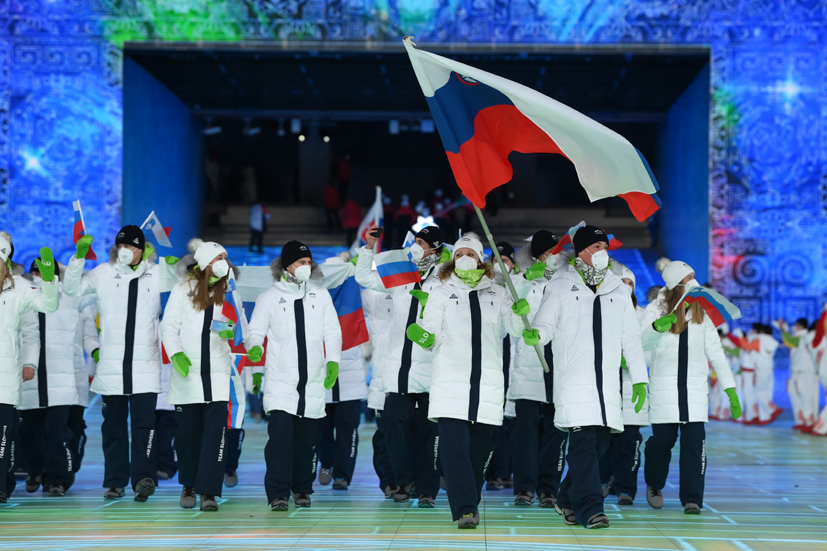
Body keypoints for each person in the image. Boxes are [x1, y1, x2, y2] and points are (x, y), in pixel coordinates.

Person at [525, 225, 648, 529]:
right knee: (582, 446)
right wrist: (536, 335)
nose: (602, 251)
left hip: (607, 385)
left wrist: (640, 378)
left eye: (604, 246)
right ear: (580, 251)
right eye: (596, 246)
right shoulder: (560, 285)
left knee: (599, 447)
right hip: (574, 381)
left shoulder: (618, 289)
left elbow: (631, 338)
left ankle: (566, 498)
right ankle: (592, 509)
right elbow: (545, 324)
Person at [406, 234, 528, 528]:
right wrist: (426, 338)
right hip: (450, 381)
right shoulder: (440, 292)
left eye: (470, 254)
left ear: (480, 259)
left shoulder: (498, 292)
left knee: (480, 450)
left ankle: (469, 497)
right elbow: (431, 328)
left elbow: (513, 329)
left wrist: (520, 312)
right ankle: (465, 508)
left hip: (487, 383)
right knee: (454, 449)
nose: (464, 258)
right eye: (459, 253)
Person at [63, 226, 175, 501]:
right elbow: (72, 289)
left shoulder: (157, 274)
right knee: (112, 427)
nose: (125, 251)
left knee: (144, 426)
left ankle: (144, 478)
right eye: (121, 246)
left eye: (131, 246)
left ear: (141, 250)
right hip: (111, 368)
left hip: (145, 367)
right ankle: (115, 481)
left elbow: (188, 287)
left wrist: (174, 264)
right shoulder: (104, 272)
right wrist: (78, 258)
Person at [354, 225, 447, 506]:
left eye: (422, 242)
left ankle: (428, 488)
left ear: (435, 249)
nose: (416, 246)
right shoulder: (402, 274)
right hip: (399, 368)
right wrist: (368, 248)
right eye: (415, 240)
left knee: (430, 431)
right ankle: (404, 480)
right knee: (393, 424)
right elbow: (363, 277)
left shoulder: (445, 280)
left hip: (431, 368)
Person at [246, 241, 342, 511]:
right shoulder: (269, 297)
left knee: (307, 442)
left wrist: (333, 361)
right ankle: (278, 493)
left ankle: (302, 488)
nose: (306, 266)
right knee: (280, 441)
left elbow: (332, 331)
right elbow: (255, 331)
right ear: (287, 265)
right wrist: (254, 346)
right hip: (280, 383)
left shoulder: (320, 295)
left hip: (312, 382)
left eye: (309, 262)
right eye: (301, 262)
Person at [640, 260, 740, 514]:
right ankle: (654, 484)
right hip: (665, 389)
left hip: (694, 391)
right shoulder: (656, 309)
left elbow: (715, 352)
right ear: (676, 282)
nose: (693, 282)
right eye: (688, 277)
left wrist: (730, 388)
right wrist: (656, 328)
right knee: (662, 442)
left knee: (695, 445)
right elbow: (642, 344)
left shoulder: (700, 311)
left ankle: (692, 498)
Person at [161, 241, 240, 511]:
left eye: (225, 257)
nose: (224, 262)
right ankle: (189, 484)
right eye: (219, 257)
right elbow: (169, 325)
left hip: (217, 375)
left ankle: (209, 491)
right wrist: (176, 353)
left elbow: (238, 323)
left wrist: (232, 331)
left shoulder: (229, 290)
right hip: (188, 375)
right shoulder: (182, 289)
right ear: (205, 261)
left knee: (215, 437)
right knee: (187, 436)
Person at [19, 260, 99, 497]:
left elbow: (89, 332)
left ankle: (58, 479)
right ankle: (35, 469)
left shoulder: (71, 298)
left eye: (43, 271)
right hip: (30, 378)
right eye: (35, 271)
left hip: (65, 377)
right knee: (30, 432)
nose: (38, 276)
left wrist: (96, 352)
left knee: (61, 433)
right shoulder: (23, 297)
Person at [507, 231, 569, 508]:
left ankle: (548, 488)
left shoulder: (569, 282)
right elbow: (511, 315)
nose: (553, 257)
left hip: (559, 368)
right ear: (535, 255)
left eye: (557, 251)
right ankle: (524, 487)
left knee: (555, 435)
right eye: (548, 252)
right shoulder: (520, 280)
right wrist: (525, 279)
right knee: (525, 436)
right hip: (528, 368)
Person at [0, 235, 59, 503]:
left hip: (5, 377)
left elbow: (48, 305)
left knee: (4, 437)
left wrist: (49, 282)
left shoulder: (20, 287)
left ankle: (2, 486)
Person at [598, 264, 650, 505]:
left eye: (630, 283)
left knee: (629, 442)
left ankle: (626, 488)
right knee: (604, 440)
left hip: (631, 388)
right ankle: (602, 480)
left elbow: (651, 351)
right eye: (622, 283)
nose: (626, 287)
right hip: (607, 385)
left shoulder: (643, 316)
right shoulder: (600, 309)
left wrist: (629, 360)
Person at [362, 286, 397, 498]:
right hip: (382, 381)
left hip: (414, 382)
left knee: (414, 435)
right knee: (384, 435)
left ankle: (411, 480)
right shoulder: (372, 295)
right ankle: (389, 482)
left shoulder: (420, 288)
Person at [317, 345, 368, 490]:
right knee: (321, 430)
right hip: (321, 383)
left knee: (347, 430)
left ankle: (342, 475)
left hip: (351, 383)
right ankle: (326, 463)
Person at [69, 303, 99, 475]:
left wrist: (96, 353)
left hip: (76, 375)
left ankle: (64, 473)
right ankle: (39, 471)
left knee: (74, 425)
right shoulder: (35, 298)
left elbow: (90, 338)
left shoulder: (82, 303)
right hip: (42, 377)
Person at [780, 318, 819, 431]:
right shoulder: (806, 336)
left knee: (806, 396)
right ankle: (803, 420)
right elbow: (790, 342)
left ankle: (809, 421)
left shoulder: (806, 336)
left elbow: (789, 341)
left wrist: (783, 329)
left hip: (805, 370)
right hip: (801, 370)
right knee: (800, 395)